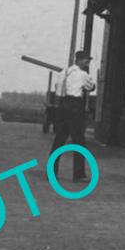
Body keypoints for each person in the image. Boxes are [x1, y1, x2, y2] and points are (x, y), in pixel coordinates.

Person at [50, 51, 96, 182]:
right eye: (87, 60)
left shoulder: (63, 72)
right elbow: (91, 87)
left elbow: (58, 88)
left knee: (59, 140)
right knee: (79, 141)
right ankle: (79, 174)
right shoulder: (82, 74)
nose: (88, 63)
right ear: (80, 60)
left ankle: (52, 172)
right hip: (75, 107)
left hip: (62, 106)